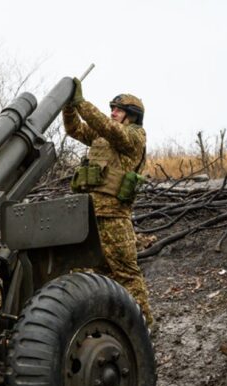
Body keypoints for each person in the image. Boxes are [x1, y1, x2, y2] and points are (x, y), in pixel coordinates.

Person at [62, 78, 154, 328]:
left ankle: (144, 328)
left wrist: (81, 102)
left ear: (132, 116)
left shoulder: (134, 136)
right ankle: (111, 323)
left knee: (126, 273)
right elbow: (75, 130)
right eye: (112, 108)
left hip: (114, 216)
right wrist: (69, 106)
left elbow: (108, 127)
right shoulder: (102, 136)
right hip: (90, 214)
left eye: (118, 110)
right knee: (98, 274)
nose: (112, 113)